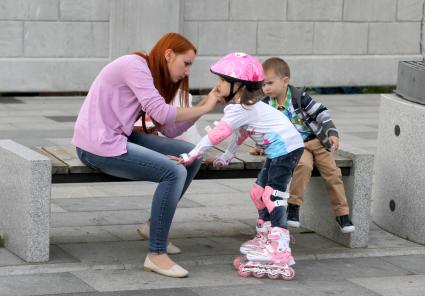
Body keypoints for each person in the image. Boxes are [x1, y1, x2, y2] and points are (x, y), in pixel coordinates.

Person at [72, 32, 223, 278]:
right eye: (186, 64)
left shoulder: (149, 74)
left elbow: (170, 129)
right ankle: (156, 254)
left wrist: (207, 103)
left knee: (190, 155)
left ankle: (154, 226)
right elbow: (161, 113)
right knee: (173, 171)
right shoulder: (134, 65)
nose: (187, 72)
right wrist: (204, 106)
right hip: (96, 144)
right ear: (168, 54)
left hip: (120, 135)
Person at [175, 52, 304, 280]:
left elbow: (217, 134)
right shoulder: (245, 107)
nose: (219, 85)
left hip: (287, 149)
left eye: (223, 80)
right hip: (279, 149)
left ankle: (279, 246)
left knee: (272, 195)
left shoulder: (241, 108)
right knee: (258, 193)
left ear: (239, 85)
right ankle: (264, 236)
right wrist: (228, 155)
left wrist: (191, 154)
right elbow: (243, 132)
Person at [259, 57, 355, 233]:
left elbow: (321, 113)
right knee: (303, 166)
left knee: (332, 173)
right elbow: (262, 129)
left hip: (317, 141)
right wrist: (262, 145)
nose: (266, 88)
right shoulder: (266, 105)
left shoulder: (299, 97)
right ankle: (293, 207)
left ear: (285, 81)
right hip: (296, 146)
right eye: (263, 85)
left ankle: (342, 214)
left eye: (270, 83)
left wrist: (332, 132)